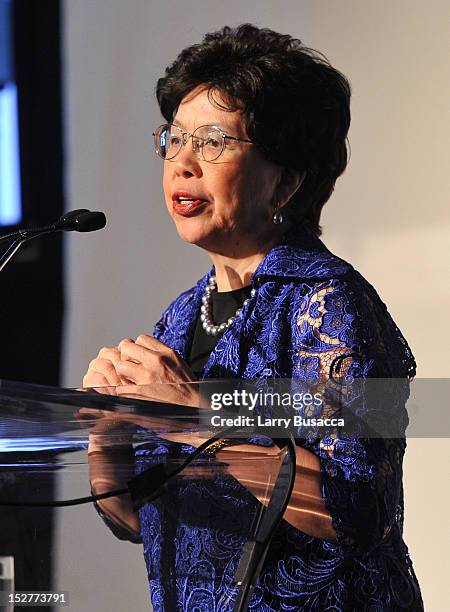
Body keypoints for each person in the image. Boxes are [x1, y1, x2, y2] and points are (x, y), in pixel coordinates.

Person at [82, 24, 424, 611]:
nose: (182, 163)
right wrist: (106, 434)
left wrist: (195, 417)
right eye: (175, 138)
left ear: (286, 181)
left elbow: (358, 510)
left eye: (213, 142)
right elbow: (142, 521)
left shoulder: (330, 303)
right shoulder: (183, 315)